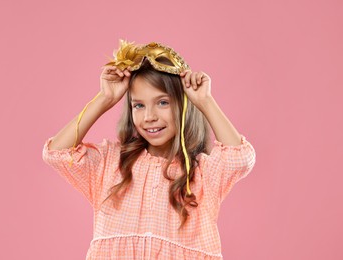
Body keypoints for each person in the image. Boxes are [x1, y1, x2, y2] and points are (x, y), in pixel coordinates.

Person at [42, 40, 256, 259]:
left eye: (162, 102)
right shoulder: (111, 164)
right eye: (139, 105)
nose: (149, 117)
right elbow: (58, 153)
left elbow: (238, 158)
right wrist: (104, 99)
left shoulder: (201, 176)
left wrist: (205, 101)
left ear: (183, 105)